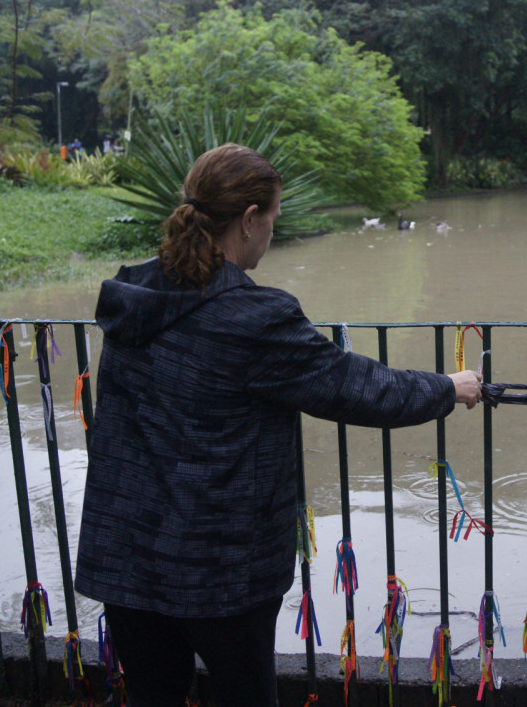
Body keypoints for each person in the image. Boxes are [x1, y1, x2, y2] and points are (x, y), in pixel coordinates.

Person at [74, 143, 482, 707]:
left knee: (152, 696)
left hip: (126, 553)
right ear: (248, 220)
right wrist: (447, 387)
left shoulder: (135, 296)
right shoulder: (255, 318)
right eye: (273, 217)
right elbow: (356, 388)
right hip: (219, 570)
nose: (273, 230)